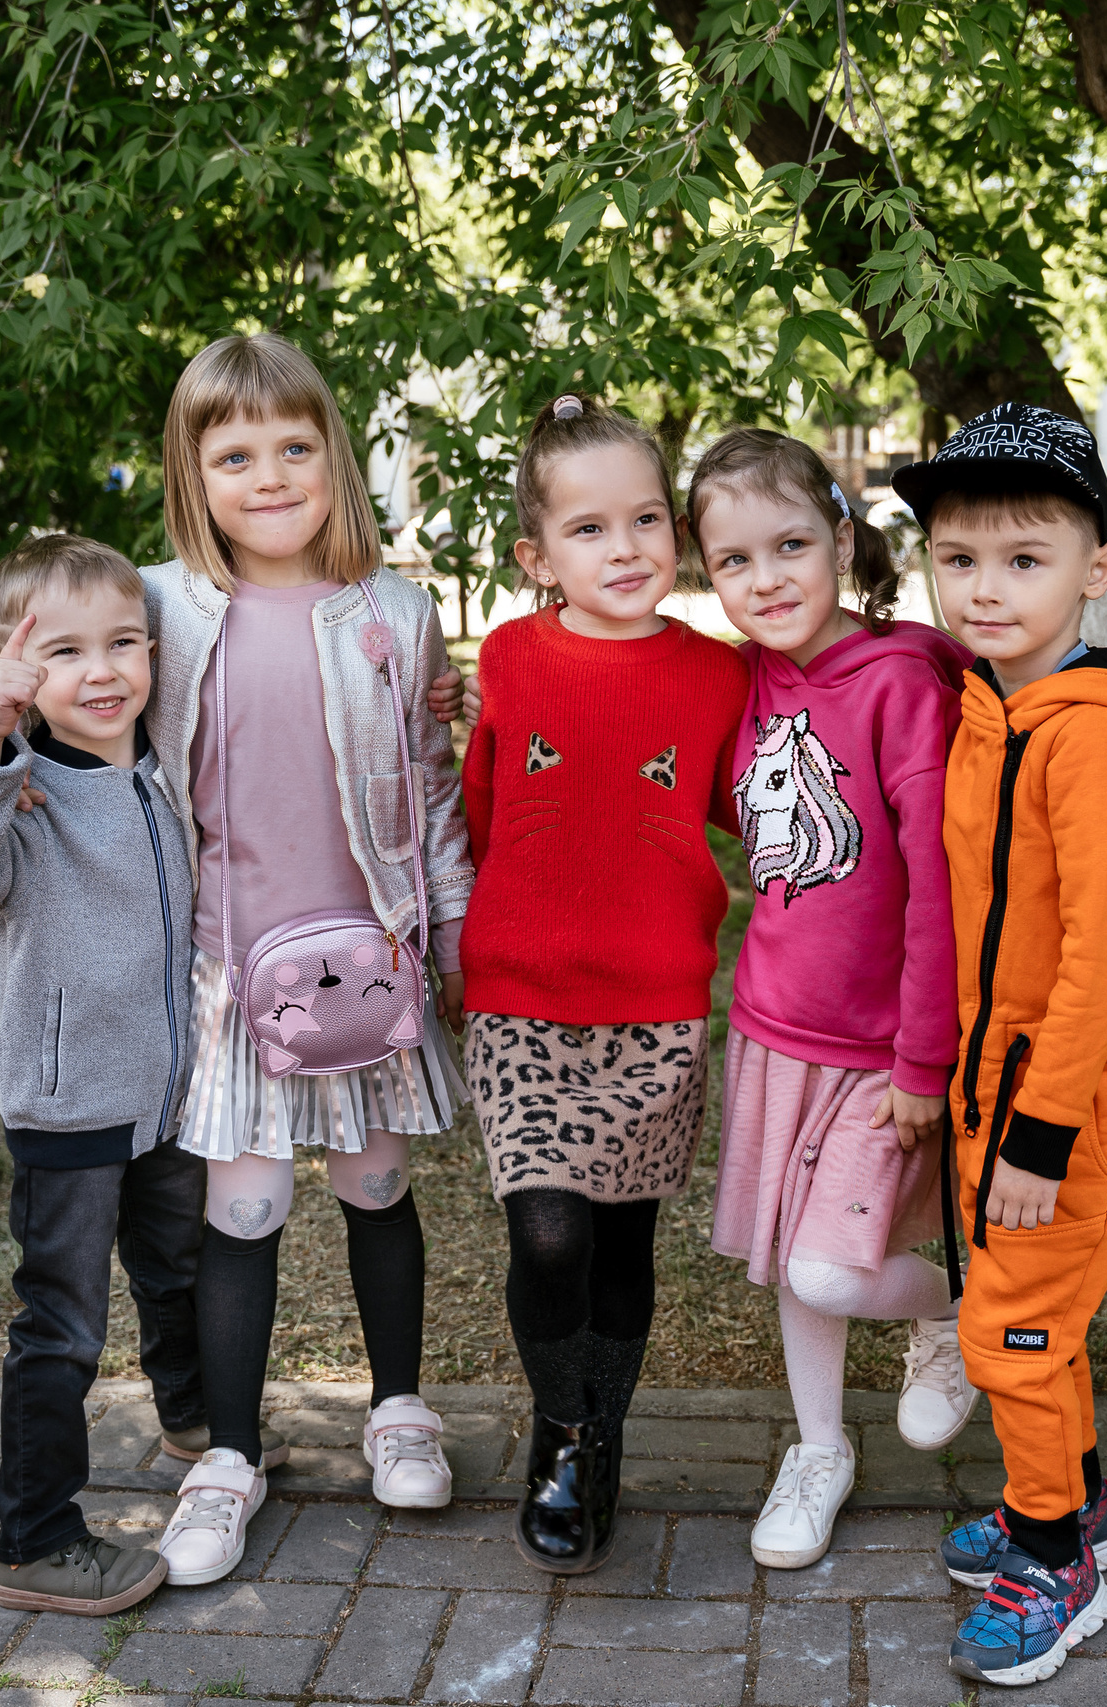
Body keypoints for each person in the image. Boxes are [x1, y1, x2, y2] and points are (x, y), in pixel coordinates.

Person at [140, 333, 476, 1587]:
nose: (270, 475)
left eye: (294, 446)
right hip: (228, 977)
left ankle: (399, 1413)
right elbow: (119, 765)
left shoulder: (395, 612)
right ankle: (227, 1459)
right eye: (235, 454)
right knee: (246, 1208)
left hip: (370, 970)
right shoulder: (161, 606)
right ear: (194, 471)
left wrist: (449, 930)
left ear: (334, 456)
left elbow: (434, 791)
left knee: (377, 1191)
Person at [891, 403, 1107, 1688]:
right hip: (998, 1077)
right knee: (1027, 1306)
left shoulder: (1096, 737)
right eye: (959, 560)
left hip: (1077, 1089)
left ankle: (1057, 1560)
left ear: (1097, 567)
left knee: (1012, 1317)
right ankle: (1073, 1500)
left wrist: (1045, 1129)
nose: (987, 587)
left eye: (1026, 559)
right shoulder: (994, 713)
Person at [459, 393, 749, 1575]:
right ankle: (562, 1429)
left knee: (622, 1241)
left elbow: (753, 812)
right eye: (588, 529)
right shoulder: (505, 660)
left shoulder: (720, 677)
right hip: (520, 994)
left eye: (644, 521)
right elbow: (482, 812)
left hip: (657, 1001)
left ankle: (599, 1442)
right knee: (548, 1236)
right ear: (537, 557)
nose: (623, 549)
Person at [689, 428, 977, 1572]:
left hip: (876, 1048)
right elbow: (739, 814)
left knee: (829, 1265)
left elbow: (937, 890)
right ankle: (818, 1450)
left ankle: (953, 1304)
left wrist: (921, 1060)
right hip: (770, 1027)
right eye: (732, 562)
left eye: (791, 545)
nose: (766, 580)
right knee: (787, 1263)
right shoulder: (746, 678)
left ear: (842, 541)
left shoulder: (902, 683)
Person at [0, 533, 199, 1617]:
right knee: (63, 1327)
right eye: (65, 652)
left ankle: (194, 1425)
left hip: (165, 1097)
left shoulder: (162, 772)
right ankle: (34, 1539)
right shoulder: (14, 794)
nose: (103, 670)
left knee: (177, 1271)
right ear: (18, 672)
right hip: (71, 1107)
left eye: (124, 642)